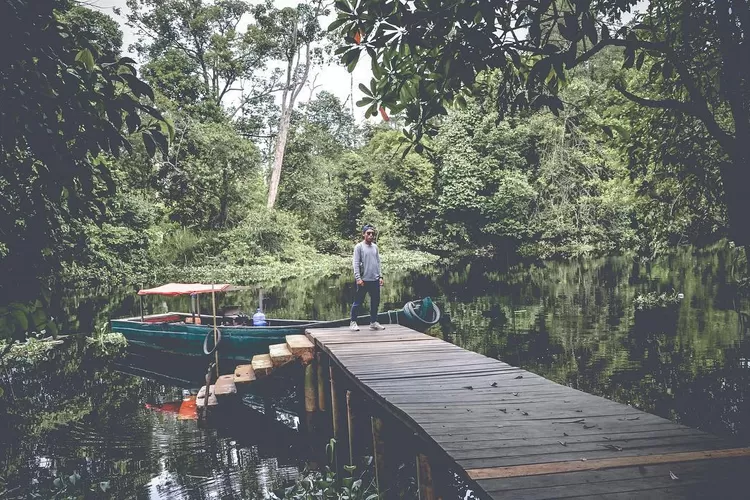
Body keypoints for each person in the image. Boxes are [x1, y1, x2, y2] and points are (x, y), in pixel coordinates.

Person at [350, 224, 385, 331]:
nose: (371, 235)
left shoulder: (375, 247)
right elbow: (355, 263)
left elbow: (378, 262)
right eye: (368, 233)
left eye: (372, 234)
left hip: (374, 280)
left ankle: (373, 322)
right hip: (363, 280)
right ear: (363, 234)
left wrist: (380, 276)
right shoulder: (359, 247)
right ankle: (353, 322)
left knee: (375, 302)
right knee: (358, 302)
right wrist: (358, 278)